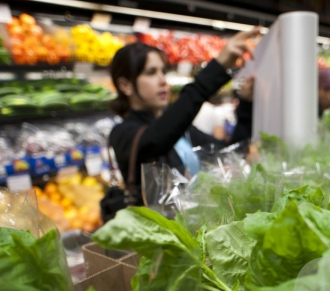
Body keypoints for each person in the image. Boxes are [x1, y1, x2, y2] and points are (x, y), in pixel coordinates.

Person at [108, 28, 258, 205]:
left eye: (163, 71)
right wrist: (218, 67)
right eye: (151, 72)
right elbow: (157, 139)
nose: (163, 80)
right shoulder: (124, 134)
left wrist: (246, 103)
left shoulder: (182, 131)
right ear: (125, 85)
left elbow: (231, 152)